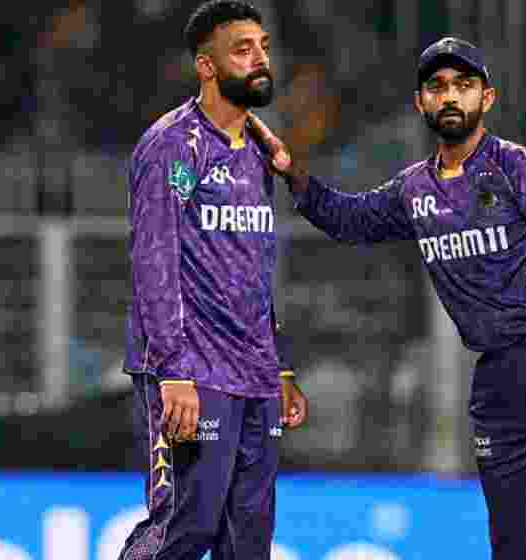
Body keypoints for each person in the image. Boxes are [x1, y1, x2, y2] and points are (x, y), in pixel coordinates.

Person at [251, 37, 526, 560]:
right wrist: (292, 173)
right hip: (498, 385)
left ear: (488, 97)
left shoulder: (518, 169)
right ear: (421, 103)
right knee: (517, 545)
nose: (451, 96)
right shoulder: (414, 190)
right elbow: (350, 219)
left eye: (464, 85)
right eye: (437, 87)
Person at [119, 2, 308, 559]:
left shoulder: (258, 151)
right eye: (242, 50)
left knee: (248, 544)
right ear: (206, 66)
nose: (260, 60)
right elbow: (154, 257)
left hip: (254, 375)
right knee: (187, 526)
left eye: (263, 47)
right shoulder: (172, 145)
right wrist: (172, 372)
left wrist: (281, 366)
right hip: (190, 372)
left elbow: (252, 266)